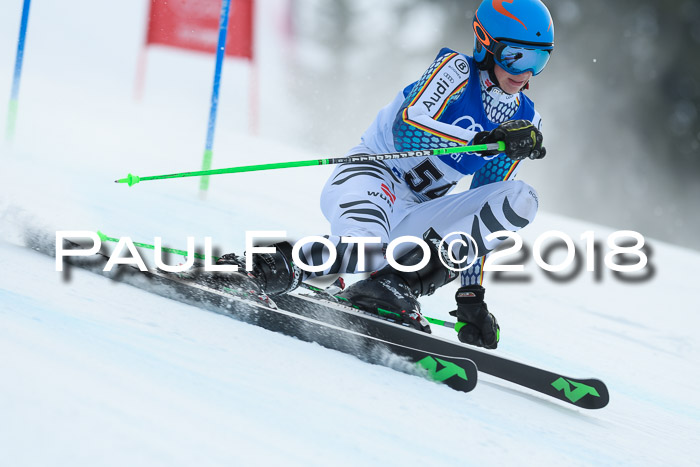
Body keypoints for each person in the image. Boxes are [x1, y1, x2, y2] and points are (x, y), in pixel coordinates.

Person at [219, 0, 554, 350]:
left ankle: (394, 286)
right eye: (517, 56)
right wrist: (482, 141)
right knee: (362, 249)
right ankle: (254, 269)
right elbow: (410, 126)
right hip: (372, 175)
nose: (525, 73)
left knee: (521, 198)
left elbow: (483, 210)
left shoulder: (524, 121)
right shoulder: (456, 70)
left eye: (540, 60)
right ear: (486, 44)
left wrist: (471, 294)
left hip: (414, 212)